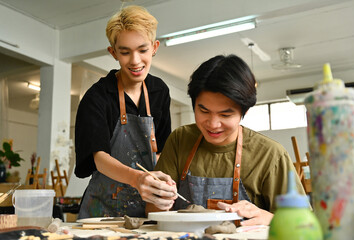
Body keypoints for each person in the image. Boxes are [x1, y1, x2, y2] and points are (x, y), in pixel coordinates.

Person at [146, 54, 306, 226]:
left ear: (243, 112)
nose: (213, 124)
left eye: (225, 114)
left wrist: (268, 218)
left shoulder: (270, 155)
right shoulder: (180, 140)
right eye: (204, 111)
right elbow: (152, 212)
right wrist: (159, 199)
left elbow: (303, 224)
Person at [75, 5, 177, 219]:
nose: (135, 61)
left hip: (145, 210)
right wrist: (137, 179)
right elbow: (99, 158)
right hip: (101, 212)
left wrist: (163, 182)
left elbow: (160, 150)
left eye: (142, 50)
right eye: (125, 52)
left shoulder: (159, 91)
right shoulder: (98, 97)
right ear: (113, 53)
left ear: (155, 47)